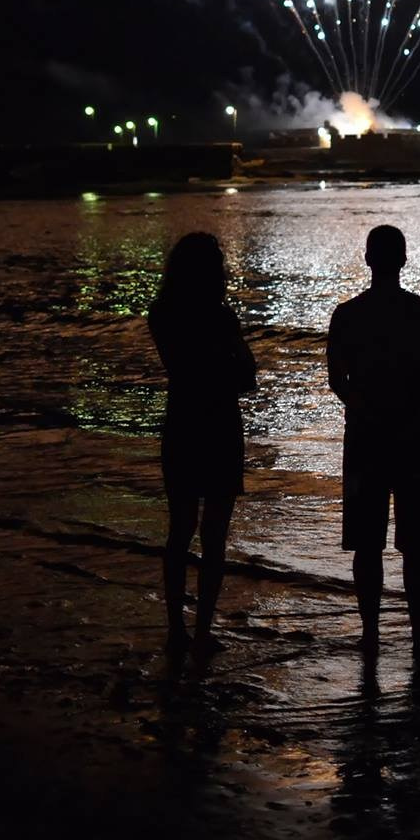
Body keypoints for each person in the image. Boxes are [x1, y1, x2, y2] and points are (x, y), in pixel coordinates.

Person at [327, 224, 420, 659]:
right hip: (414, 435)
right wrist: (409, 409)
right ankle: (419, 634)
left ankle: (370, 634)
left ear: (367, 260)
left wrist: (366, 407)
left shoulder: (347, 315)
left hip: (365, 436)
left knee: (366, 542)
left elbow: (337, 380)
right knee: (417, 544)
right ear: (403, 260)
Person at [148, 231, 256, 653]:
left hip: (182, 423)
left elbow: (185, 369)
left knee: (180, 530)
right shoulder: (221, 318)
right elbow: (246, 375)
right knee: (214, 536)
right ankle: (203, 630)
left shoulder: (163, 314)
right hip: (220, 426)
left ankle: (176, 628)